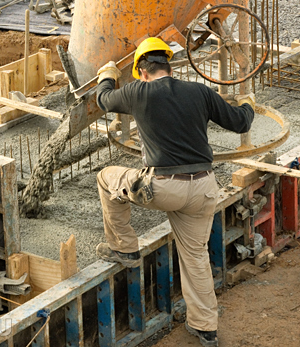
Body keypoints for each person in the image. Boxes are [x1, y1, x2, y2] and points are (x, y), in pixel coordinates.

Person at [94, 37, 255, 347]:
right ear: (168, 65)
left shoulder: (138, 92)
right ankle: (205, 328)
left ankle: (124, 247)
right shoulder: (199, 92)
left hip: (164, 187)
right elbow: (239, 122)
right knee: (196, 257)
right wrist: (247, 103)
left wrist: (107, 75)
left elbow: (104, 100)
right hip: (205, 188)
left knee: (106, 178)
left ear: (141, 71)